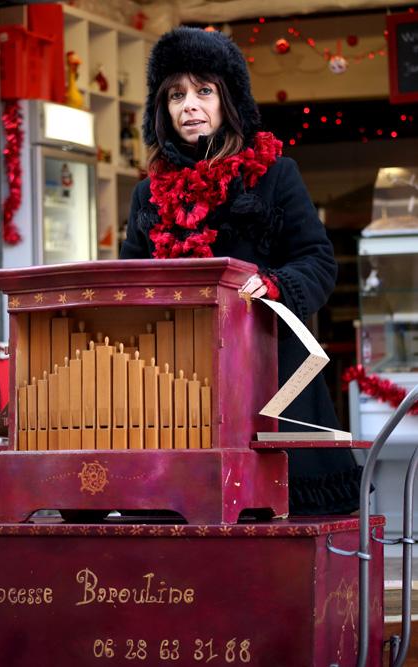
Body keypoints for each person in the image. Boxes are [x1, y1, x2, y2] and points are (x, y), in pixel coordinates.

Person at [120, 26, 361, 515]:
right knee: (177, 518)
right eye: (176, 95)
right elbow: (129, 280)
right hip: (177, 383)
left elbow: (317, 261)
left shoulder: (275, 175)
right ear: (161, 110)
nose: (189, 105)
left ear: (227, 101)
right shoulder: (146, 195)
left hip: (271, 374)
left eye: (204, 91)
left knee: (276, 523)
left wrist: (273, 284)